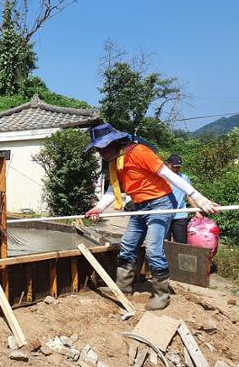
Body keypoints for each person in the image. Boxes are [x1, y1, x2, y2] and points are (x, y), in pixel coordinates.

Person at [84, 124, 217, 310]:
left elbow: (170, 176)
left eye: (102, 148)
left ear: (114, 143)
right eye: (98, 149)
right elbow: (112, 189)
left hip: (160, 203)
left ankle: (161, 294)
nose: (100, 153)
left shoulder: (140, 152)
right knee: (128, 245)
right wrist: (98, 207)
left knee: (154, 249)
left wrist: (197, 197)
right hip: (140, 206)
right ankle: (123, 285)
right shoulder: (116, 162)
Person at [164, 154, 201, 243]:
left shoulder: (184, 178)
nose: (176, 169)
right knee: (163, 243)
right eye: (174, 167)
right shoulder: (161, 178)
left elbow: (189, 195)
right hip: (164, 215)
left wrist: (196, 210)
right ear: (168, 164)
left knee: (181, 243)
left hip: (180, 216)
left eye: (178, 167)